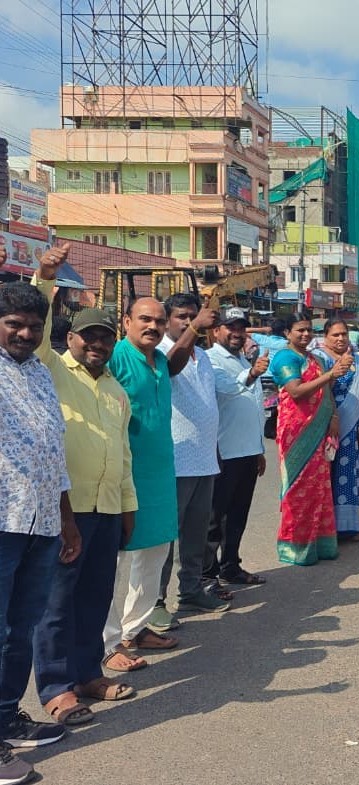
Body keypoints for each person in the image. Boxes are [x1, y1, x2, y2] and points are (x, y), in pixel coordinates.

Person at [31, 251, 137, 729]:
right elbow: (37, 327)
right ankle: (56, 690)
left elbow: (123, 453)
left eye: (104, 338)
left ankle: (87, 673)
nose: (97, 344)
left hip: (109, 508)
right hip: (66, 509)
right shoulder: (51, 370)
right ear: (71, 338)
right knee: (56, 602)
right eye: (88, 336)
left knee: (96, 596)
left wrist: (129, 507)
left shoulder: (115, 388)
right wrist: (47, 278)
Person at [0, 274, 81, 783]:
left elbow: (56, 453)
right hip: (3, 521)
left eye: (33, 326)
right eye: (13, 325)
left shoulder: (40, 375)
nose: (25, 335)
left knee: (20, 627)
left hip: (42, 521)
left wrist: (67, 520)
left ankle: (6, 714)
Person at [104, 297, 188, 670]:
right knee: (114, 561)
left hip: (158, 474)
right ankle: (107, 644)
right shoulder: (116, 357)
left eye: (158, 321)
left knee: (154, 553)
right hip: (122, 474)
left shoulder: (162, 362)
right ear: (126, 321)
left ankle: (134, 629)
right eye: (144, 319)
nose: (152, 326)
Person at [153, 293, 227, 629]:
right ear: (168, 320)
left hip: (203, 460)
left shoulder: (204, 356)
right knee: (168, 538)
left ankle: (192, 590)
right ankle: (155, 601)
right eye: (181, 316)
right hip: (176, 460)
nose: (188, 321)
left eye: (192, 316)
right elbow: (170, 365)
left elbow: (209, 403)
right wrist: (194, 329)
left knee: (196, 535)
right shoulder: (161, 352)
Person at [270, 313, 350, 565]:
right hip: (296, 432)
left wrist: (334, 417)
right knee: (298, 491)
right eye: (299, 330)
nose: (305, 335)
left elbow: (325, 392)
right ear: (287, 333)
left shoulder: (314, 358)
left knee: (319, 489)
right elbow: (295, 391)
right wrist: (331, 374)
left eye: (308, 330)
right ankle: (295, 548)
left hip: (320, 429)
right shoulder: (285, 357)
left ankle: (319, 544)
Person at [205, 308, 270, 585]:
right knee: (213, 520)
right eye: (230, 327)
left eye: (241, 328)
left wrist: (259, 450)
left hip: (246, 453)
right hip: (224, 453)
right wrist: (253, 374)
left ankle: (230, 565)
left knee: (238, 516)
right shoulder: (210, 361)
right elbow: (228, 389)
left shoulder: (242, 359)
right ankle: (206, 577)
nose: (236, 333)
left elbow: (253, 407)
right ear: (216, 330)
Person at [312, 319, 359, 541]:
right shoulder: (319, 361)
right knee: (325, 476)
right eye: (335, 335)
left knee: (349, 476)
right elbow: (318, 391)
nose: (340, 339)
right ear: (325, 337)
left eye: (344, 334)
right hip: (326, 426)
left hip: (355, 428)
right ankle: (325, 527)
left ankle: (348, 527)